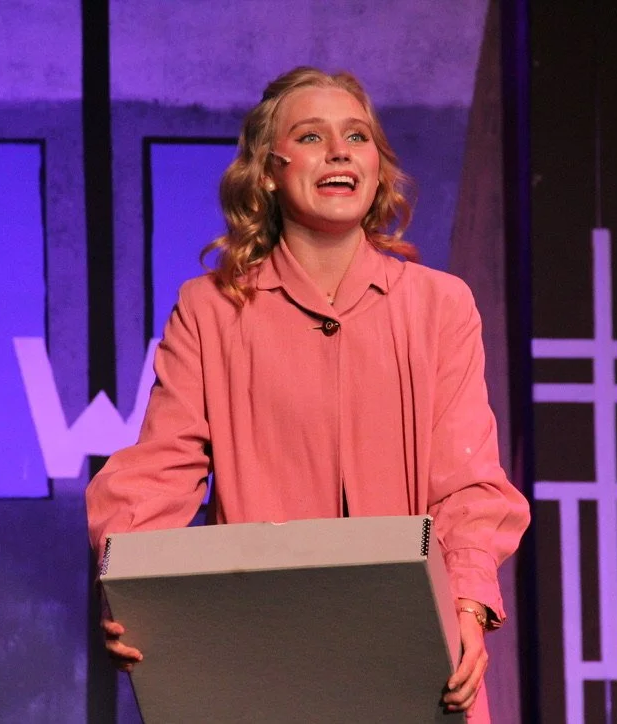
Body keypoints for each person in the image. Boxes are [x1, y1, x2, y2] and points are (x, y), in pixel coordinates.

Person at [85, 66, 530, 721]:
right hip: (262, 654)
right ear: (269, 170)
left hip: (415, 656)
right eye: (313, 136)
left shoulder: (440, 305)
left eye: (357, 136)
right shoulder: (211, 309)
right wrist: (137, 593)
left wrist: (466, 603)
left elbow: (467, 480)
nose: (340, 151)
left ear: (377, 167)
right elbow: (159, 471)